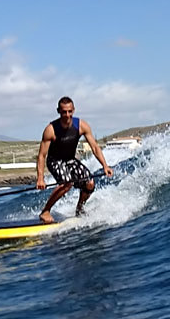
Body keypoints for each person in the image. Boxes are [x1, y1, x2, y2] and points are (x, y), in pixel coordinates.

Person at [36, 96, 113, 224]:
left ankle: (79, 210)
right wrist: (40, 178)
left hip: (70, 159)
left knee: (90, 183)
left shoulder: (81, 125)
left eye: (70, 111)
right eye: (64, 112)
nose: (67, 115)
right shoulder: (51, 129)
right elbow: (41, 156)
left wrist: (105, 165)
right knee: (67, 183)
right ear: (58, 111)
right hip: (55, 160)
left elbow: (94, 147)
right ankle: (45, 211)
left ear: (73, 110)